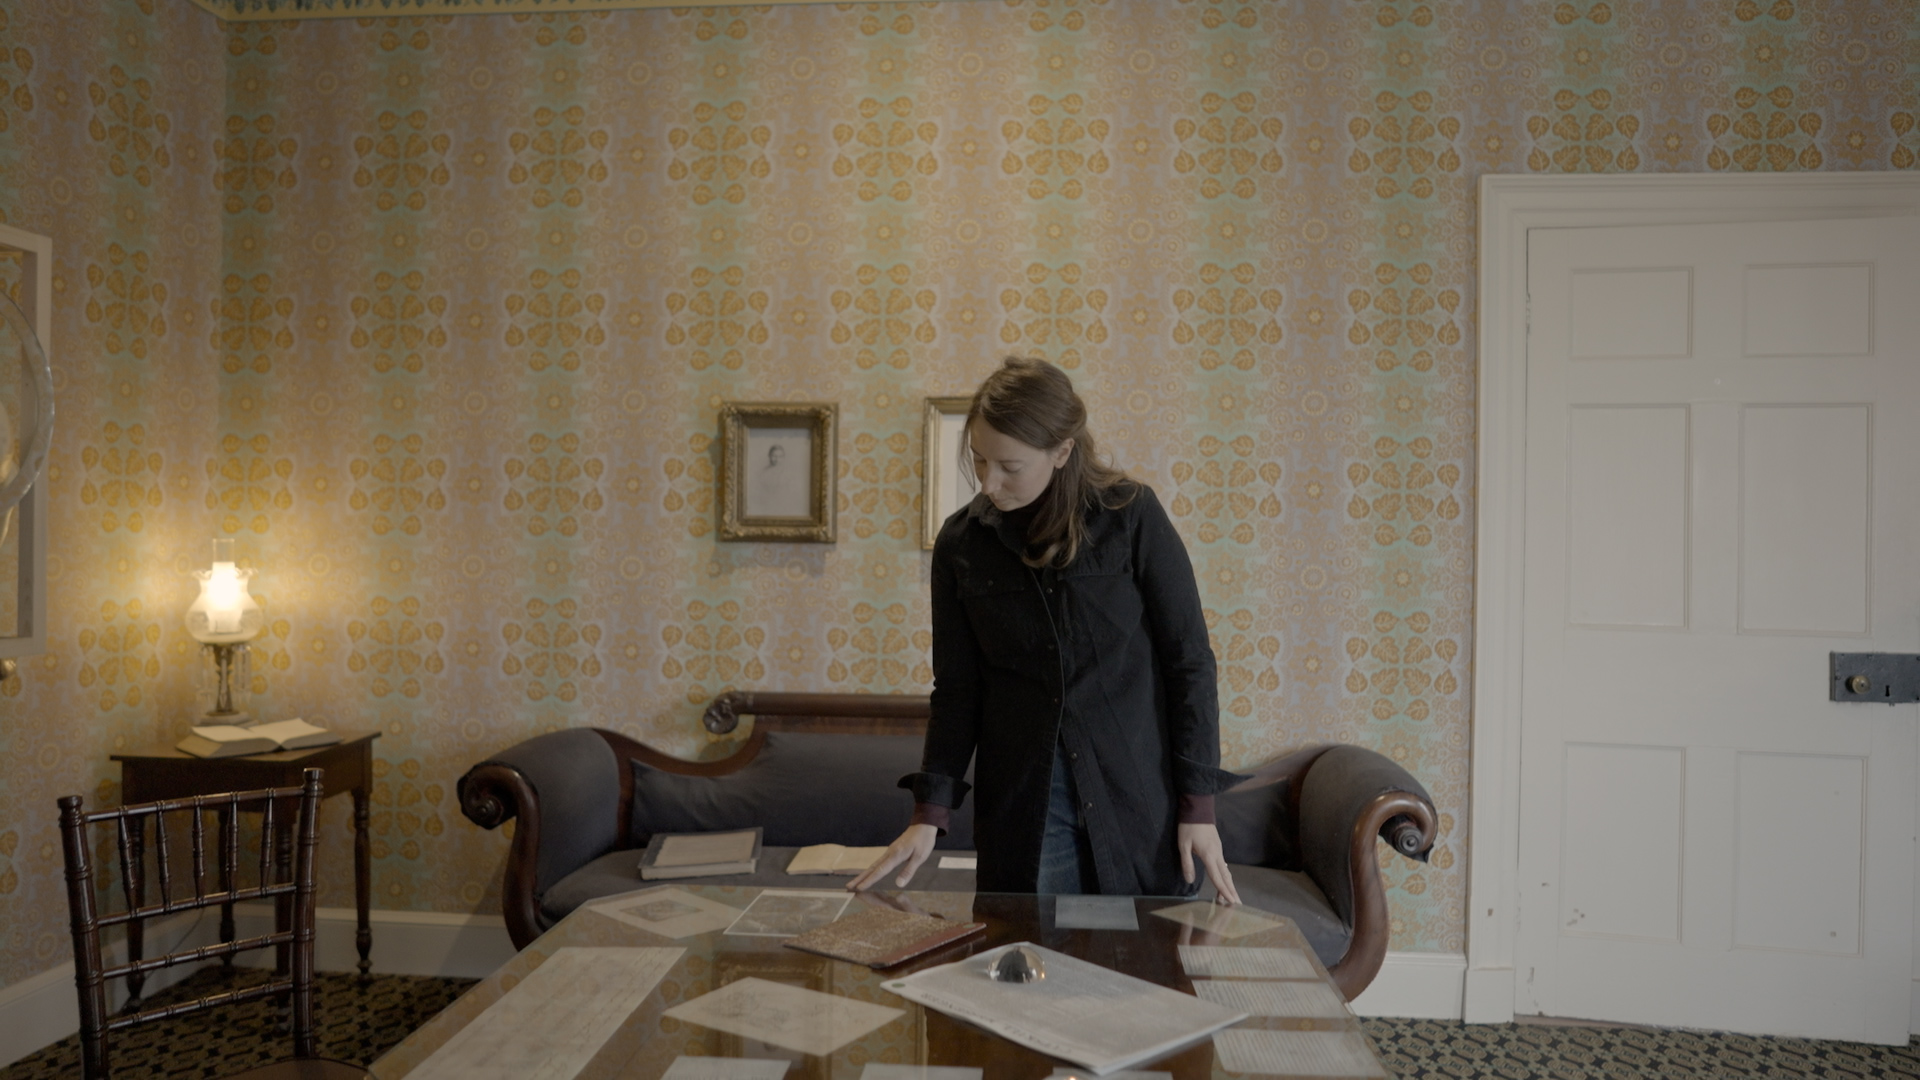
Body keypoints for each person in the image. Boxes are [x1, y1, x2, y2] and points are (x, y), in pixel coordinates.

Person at [849, 357, 1244, 902]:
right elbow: (958, 689)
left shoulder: (1132, 517)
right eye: (978, 459)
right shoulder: (962, 544)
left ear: (1062, 451)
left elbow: (1189, 663)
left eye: (1009, 466)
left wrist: (1198, 807)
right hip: (1024, 808)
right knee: (1026, 951)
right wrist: (929, 812)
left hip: (1134, 798)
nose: (988, 482)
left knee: (1139, 953)